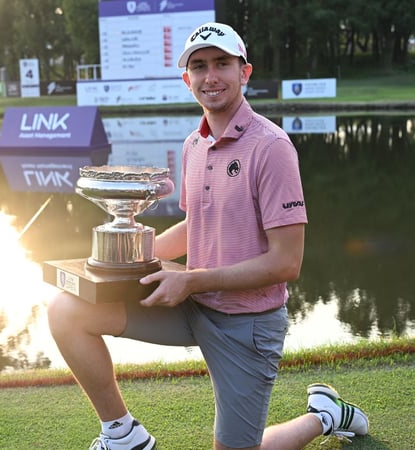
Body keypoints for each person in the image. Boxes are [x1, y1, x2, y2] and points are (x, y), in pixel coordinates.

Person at [47, 22, 369, 450]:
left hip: (247, 325)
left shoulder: (271, 147)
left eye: (222, 64)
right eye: (199, 67)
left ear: (244, 72)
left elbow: (286, 263)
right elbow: (197, 224)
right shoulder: (193, 146)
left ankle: (324, 415)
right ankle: (123, 435)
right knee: (66, 309)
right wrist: (125, 256)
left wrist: (192, 279)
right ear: (187, 80)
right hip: (192, 306)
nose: (210, 76)